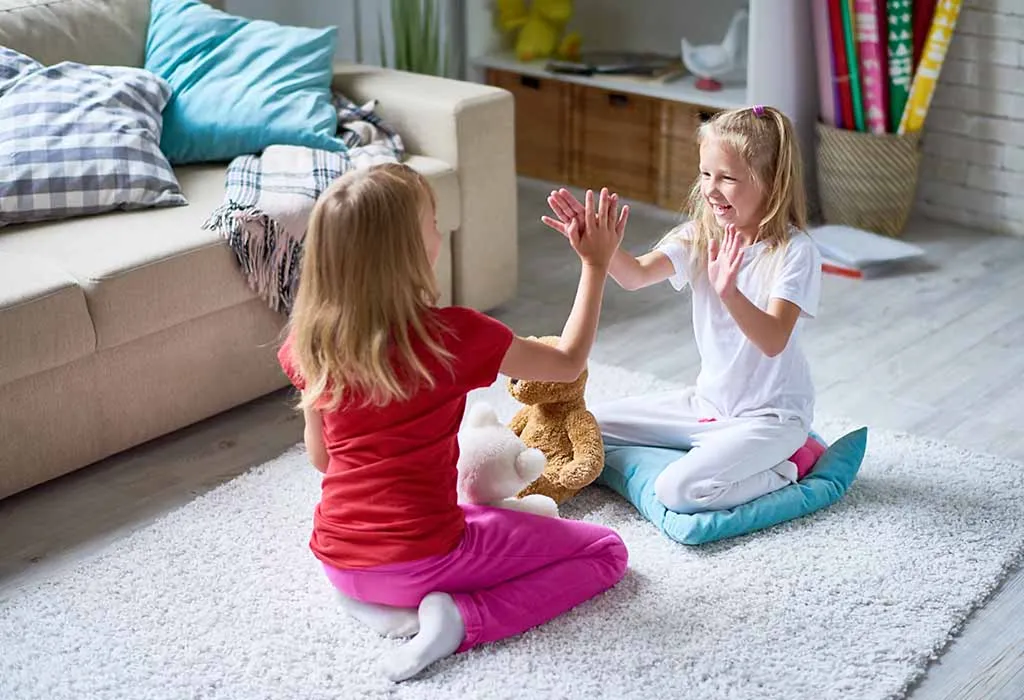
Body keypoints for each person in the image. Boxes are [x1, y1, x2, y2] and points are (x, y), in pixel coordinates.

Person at [276, 162, 630, 682]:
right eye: (433, 222)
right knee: (605, 552)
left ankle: (377, 602)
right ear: (411, 252)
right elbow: (568, 362)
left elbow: (323, 459)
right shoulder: (456, 338)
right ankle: (462, 620)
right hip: (418, 560)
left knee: (479, 517)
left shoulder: (308, 346)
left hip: (338, 560)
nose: (439, 232)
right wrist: (595, 265)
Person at [542, 104, 822, 515]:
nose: (710, 189)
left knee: (677, 491)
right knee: (584, 426)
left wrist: (730, 293)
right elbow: (635, 276)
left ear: (770, 182)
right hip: (706, 405)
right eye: (706, 173)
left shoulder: (794, 252)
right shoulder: (699, 235)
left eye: (727, 177)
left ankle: (787, 468)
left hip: (770, 418)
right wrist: (600, 250)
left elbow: (774, 339)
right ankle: (715, 453)